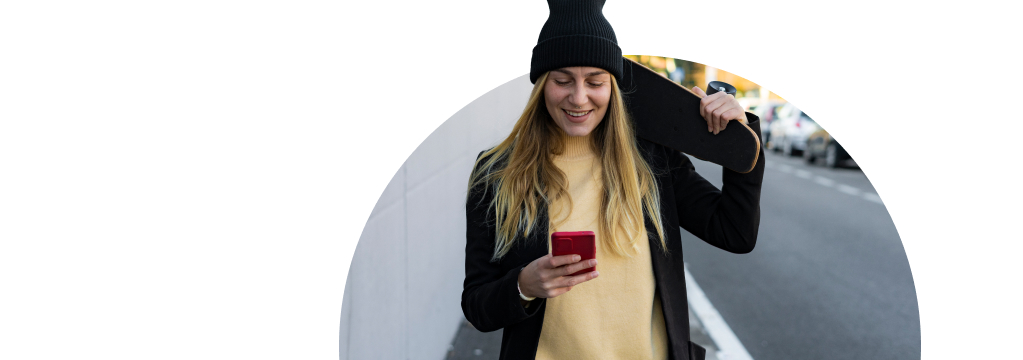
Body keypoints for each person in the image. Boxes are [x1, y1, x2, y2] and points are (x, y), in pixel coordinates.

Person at [461, 1, 765, 359]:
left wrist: (740, 141)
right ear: (542, 85)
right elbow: (477, 305)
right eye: (562, 80)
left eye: (595, 81)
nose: (578, 97)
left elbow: (735, 232)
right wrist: (523, 286)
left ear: (613, 86)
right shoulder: (497, 172)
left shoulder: (651, 161)